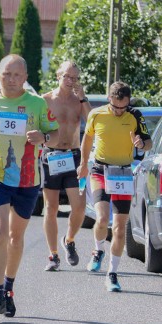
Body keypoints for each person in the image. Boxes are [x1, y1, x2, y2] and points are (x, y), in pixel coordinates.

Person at [0, 54, 59, 318]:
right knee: (0, 234)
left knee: (16, 238)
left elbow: (56, 132)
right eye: (7, 74)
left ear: (25, 78)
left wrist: (44, 136)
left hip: (27, 179)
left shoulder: (37, 104)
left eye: (17, 75)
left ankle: (8, 290)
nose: (12, 79)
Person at [77, 81, 151, 292]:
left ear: (129, 102)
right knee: (101, 219)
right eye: (116, 106)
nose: (119, 111)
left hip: (123, 173)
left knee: (119, 227)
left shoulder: (134, 115)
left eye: (123, 107)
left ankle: (112, 273)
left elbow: (148, 143)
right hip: (100, 170)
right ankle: (98, 250)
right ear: (109, 99)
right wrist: (83, 164)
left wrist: (140, 144)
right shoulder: (96, 114)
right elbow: (88, 139)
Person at [41, 61, 92, 271]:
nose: (71, 81)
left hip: (73, 157)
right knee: (51, 208)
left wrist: (83, 98)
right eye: (67, 77)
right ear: (58, 76)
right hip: (50, 156)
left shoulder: (78, 101)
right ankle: (53, 255)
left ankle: (69, 239)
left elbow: (92, 122)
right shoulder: (45, 100)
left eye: (75, 78)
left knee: (79, 207)